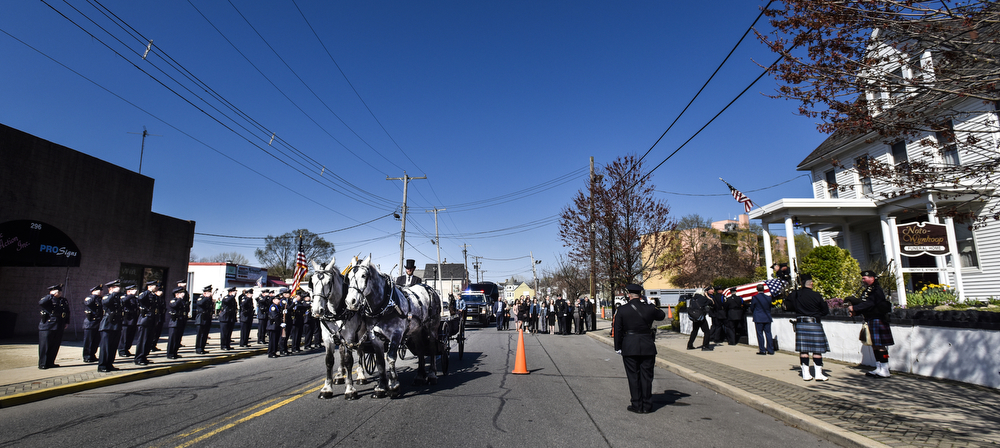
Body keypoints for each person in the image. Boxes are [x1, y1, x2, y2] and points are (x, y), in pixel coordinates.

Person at [613, 284, 665, 414]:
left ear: (629, 295)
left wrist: (618, 347)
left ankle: (636, 403)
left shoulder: (623, 310)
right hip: (647, 344)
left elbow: (618, 330)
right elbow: (661, 315)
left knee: (633, 376)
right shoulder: (649, 308)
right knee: (647, 376)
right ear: (641, 295)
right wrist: (650, 304)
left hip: (629, 345)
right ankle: (647, 404)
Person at [850, 270, 895, 378]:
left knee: (880, 346)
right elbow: (863, 303)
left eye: (864, 278)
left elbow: (870, 303)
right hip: (871, 319)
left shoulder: (877, 290)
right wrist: (855, 310)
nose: (863, 280)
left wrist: (855, 308)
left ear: (872, 278)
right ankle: (878, 367)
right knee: (875, 345)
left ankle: (885, 369)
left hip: (878, 319)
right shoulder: (868, 290)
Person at [785, 274, 829, 381]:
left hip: (801, 323)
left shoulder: (796, 294)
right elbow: (825, 311)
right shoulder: (816, 295)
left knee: (804, 350)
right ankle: (818, 374)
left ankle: (806, 374)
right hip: (814, 323)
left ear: (801, 284)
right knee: (817, 350)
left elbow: (786, 306)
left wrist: (793, 293)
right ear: (811, 283)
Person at [38, 283, 69, 369]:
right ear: (52, 291)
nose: (59, 293)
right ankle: (43, 363)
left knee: (55, 345)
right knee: (45, 346)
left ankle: (51, 362)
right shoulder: (48, 299)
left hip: (59, 325)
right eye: (57, 291)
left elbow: (67, 312)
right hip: (48, 325)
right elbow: (41, 303)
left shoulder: (63, 300)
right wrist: (51, 295)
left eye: (60, 291)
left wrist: (66, 322)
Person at [97, 280, 124, 372]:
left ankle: (109, 364)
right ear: (111, 288)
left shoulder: (118, 298)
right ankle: (102, 365)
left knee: (113, 346)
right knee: (106, 347)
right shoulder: (107, 297)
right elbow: (106, 303)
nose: (118, 289)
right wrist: (114, 293)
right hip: (107, 325)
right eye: (116, 287)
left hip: (117, 325)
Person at [134, 282, 157, 365]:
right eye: (155, 286)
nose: (157, 287)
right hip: (144, 320)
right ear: (150, 286)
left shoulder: (154, 295)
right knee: (142, 340)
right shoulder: (144, 293)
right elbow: (140, 298)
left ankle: (144, 356)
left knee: (148, 340)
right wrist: (148, 291)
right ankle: (139, 358)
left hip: (151, 320)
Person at [749, 284, 775, 355]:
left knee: (760, 334)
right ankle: (770, 350)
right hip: (767, 317)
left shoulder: (755, 298)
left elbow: (752, 307)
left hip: (758, 317)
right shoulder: (768, 298)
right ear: (763, 289)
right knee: (768, 333)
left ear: (757, 289)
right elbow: (770, 307)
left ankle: (762, 350)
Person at [82, 283, 104, 363]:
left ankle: (92, 355)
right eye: (99, 290)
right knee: (89, 341)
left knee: (96, 341)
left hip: (98, 323)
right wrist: (94, 295)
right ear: (94, 291)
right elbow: (88, 303)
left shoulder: (100, 299)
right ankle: (87, 356)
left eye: (101, 290)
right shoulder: (90, 298)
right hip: (90, 323)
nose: (101, 292)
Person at [165, 286, 187, 359]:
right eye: (181, 293)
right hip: (174, 322)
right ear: (176, 294)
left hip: (180, 321)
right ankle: (170, 353)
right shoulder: (174, 300)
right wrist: (179, 299)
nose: (182, 294)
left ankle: (175, 352)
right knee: (172, 339)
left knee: (177, 339)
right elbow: (174, 305)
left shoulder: (182, 301)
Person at [118, 284, 139, 357]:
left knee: (130, 336)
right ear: (129, 291)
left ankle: (127, 349)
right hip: (126, 320)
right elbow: (123, 301)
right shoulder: (125, 297)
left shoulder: (135, 298)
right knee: (124, 336)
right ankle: (122, 350)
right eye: (133, 290)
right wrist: (131, 295)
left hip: (133, 320)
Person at [194, 286, 215, 354]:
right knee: (200, 334)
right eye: (209, 292)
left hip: (207, 318)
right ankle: (198, 348)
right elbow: (200, 303)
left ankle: (202, 348)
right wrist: (206, 297)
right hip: (201, 319)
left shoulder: (208, 299)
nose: (210, 294)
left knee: (205, 335)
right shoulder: (201, 298)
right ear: (205, 293)